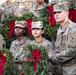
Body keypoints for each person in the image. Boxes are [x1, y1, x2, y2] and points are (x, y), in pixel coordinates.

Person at [48, 2, 76, 75]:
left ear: (66, 13)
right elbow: (57, 49)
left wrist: (52, 57)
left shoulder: (73, 28)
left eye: (59, 12)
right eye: (54, 13)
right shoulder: (59, 29)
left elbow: (71, 51)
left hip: (72, 67)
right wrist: (48, 55)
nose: (56, 14)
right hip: (61, 66)